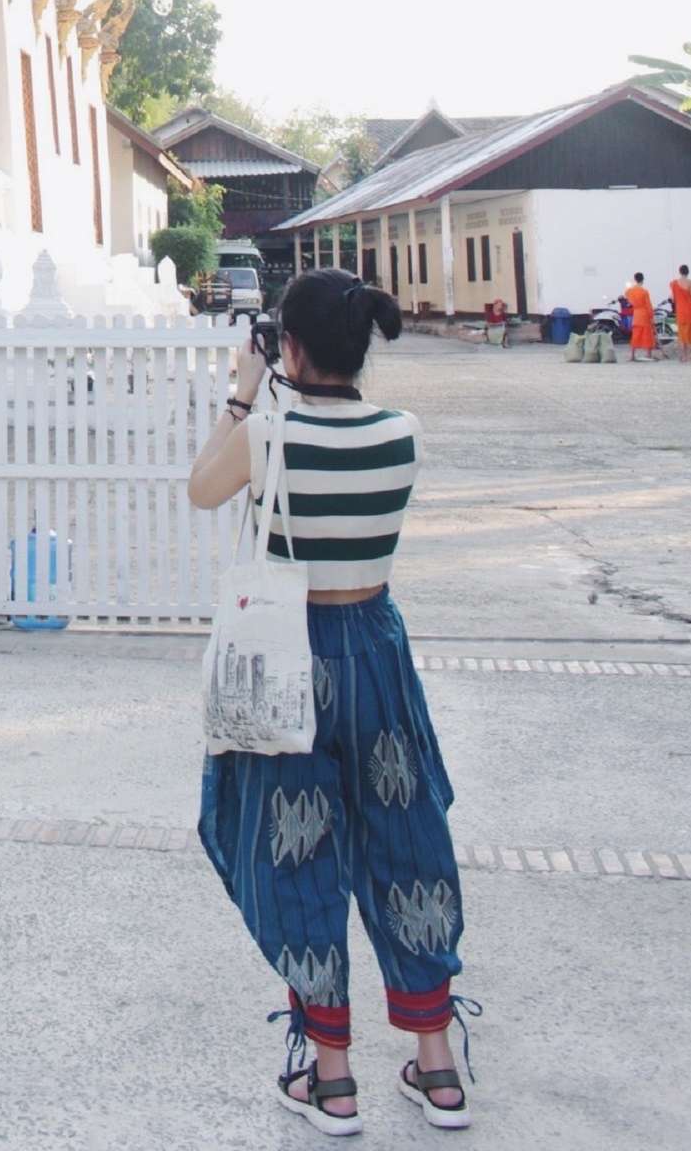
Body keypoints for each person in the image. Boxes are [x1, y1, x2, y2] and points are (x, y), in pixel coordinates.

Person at [189, 269, 477, 1134]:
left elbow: (204, 488)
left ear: (290, 345)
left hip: (289, 655)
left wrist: (243, 395)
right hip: (376, 650)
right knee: (405, 839)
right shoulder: (402, 431)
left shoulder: (268, 429)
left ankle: (331, 1076)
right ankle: (437, 1067)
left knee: (295, 845)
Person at [624, 272, 657, 361]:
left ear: (635, 280)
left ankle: (632, 355)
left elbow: (626, 295)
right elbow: (648, 305)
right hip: (644, 314)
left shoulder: (630, 291)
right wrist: (652, 316)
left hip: (636, 314)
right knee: (648, 335)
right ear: (642, 280)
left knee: (635, 335)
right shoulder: (644, 292)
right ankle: (648, 354)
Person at [670, 264, 691, 364]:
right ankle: (688, 356)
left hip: (680, 311)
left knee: (681, 334)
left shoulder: (674, 283)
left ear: (680, 272)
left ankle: (681, 356)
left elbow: (671, 297)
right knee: (689, 334)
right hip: (689, 311)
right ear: (688, 272)